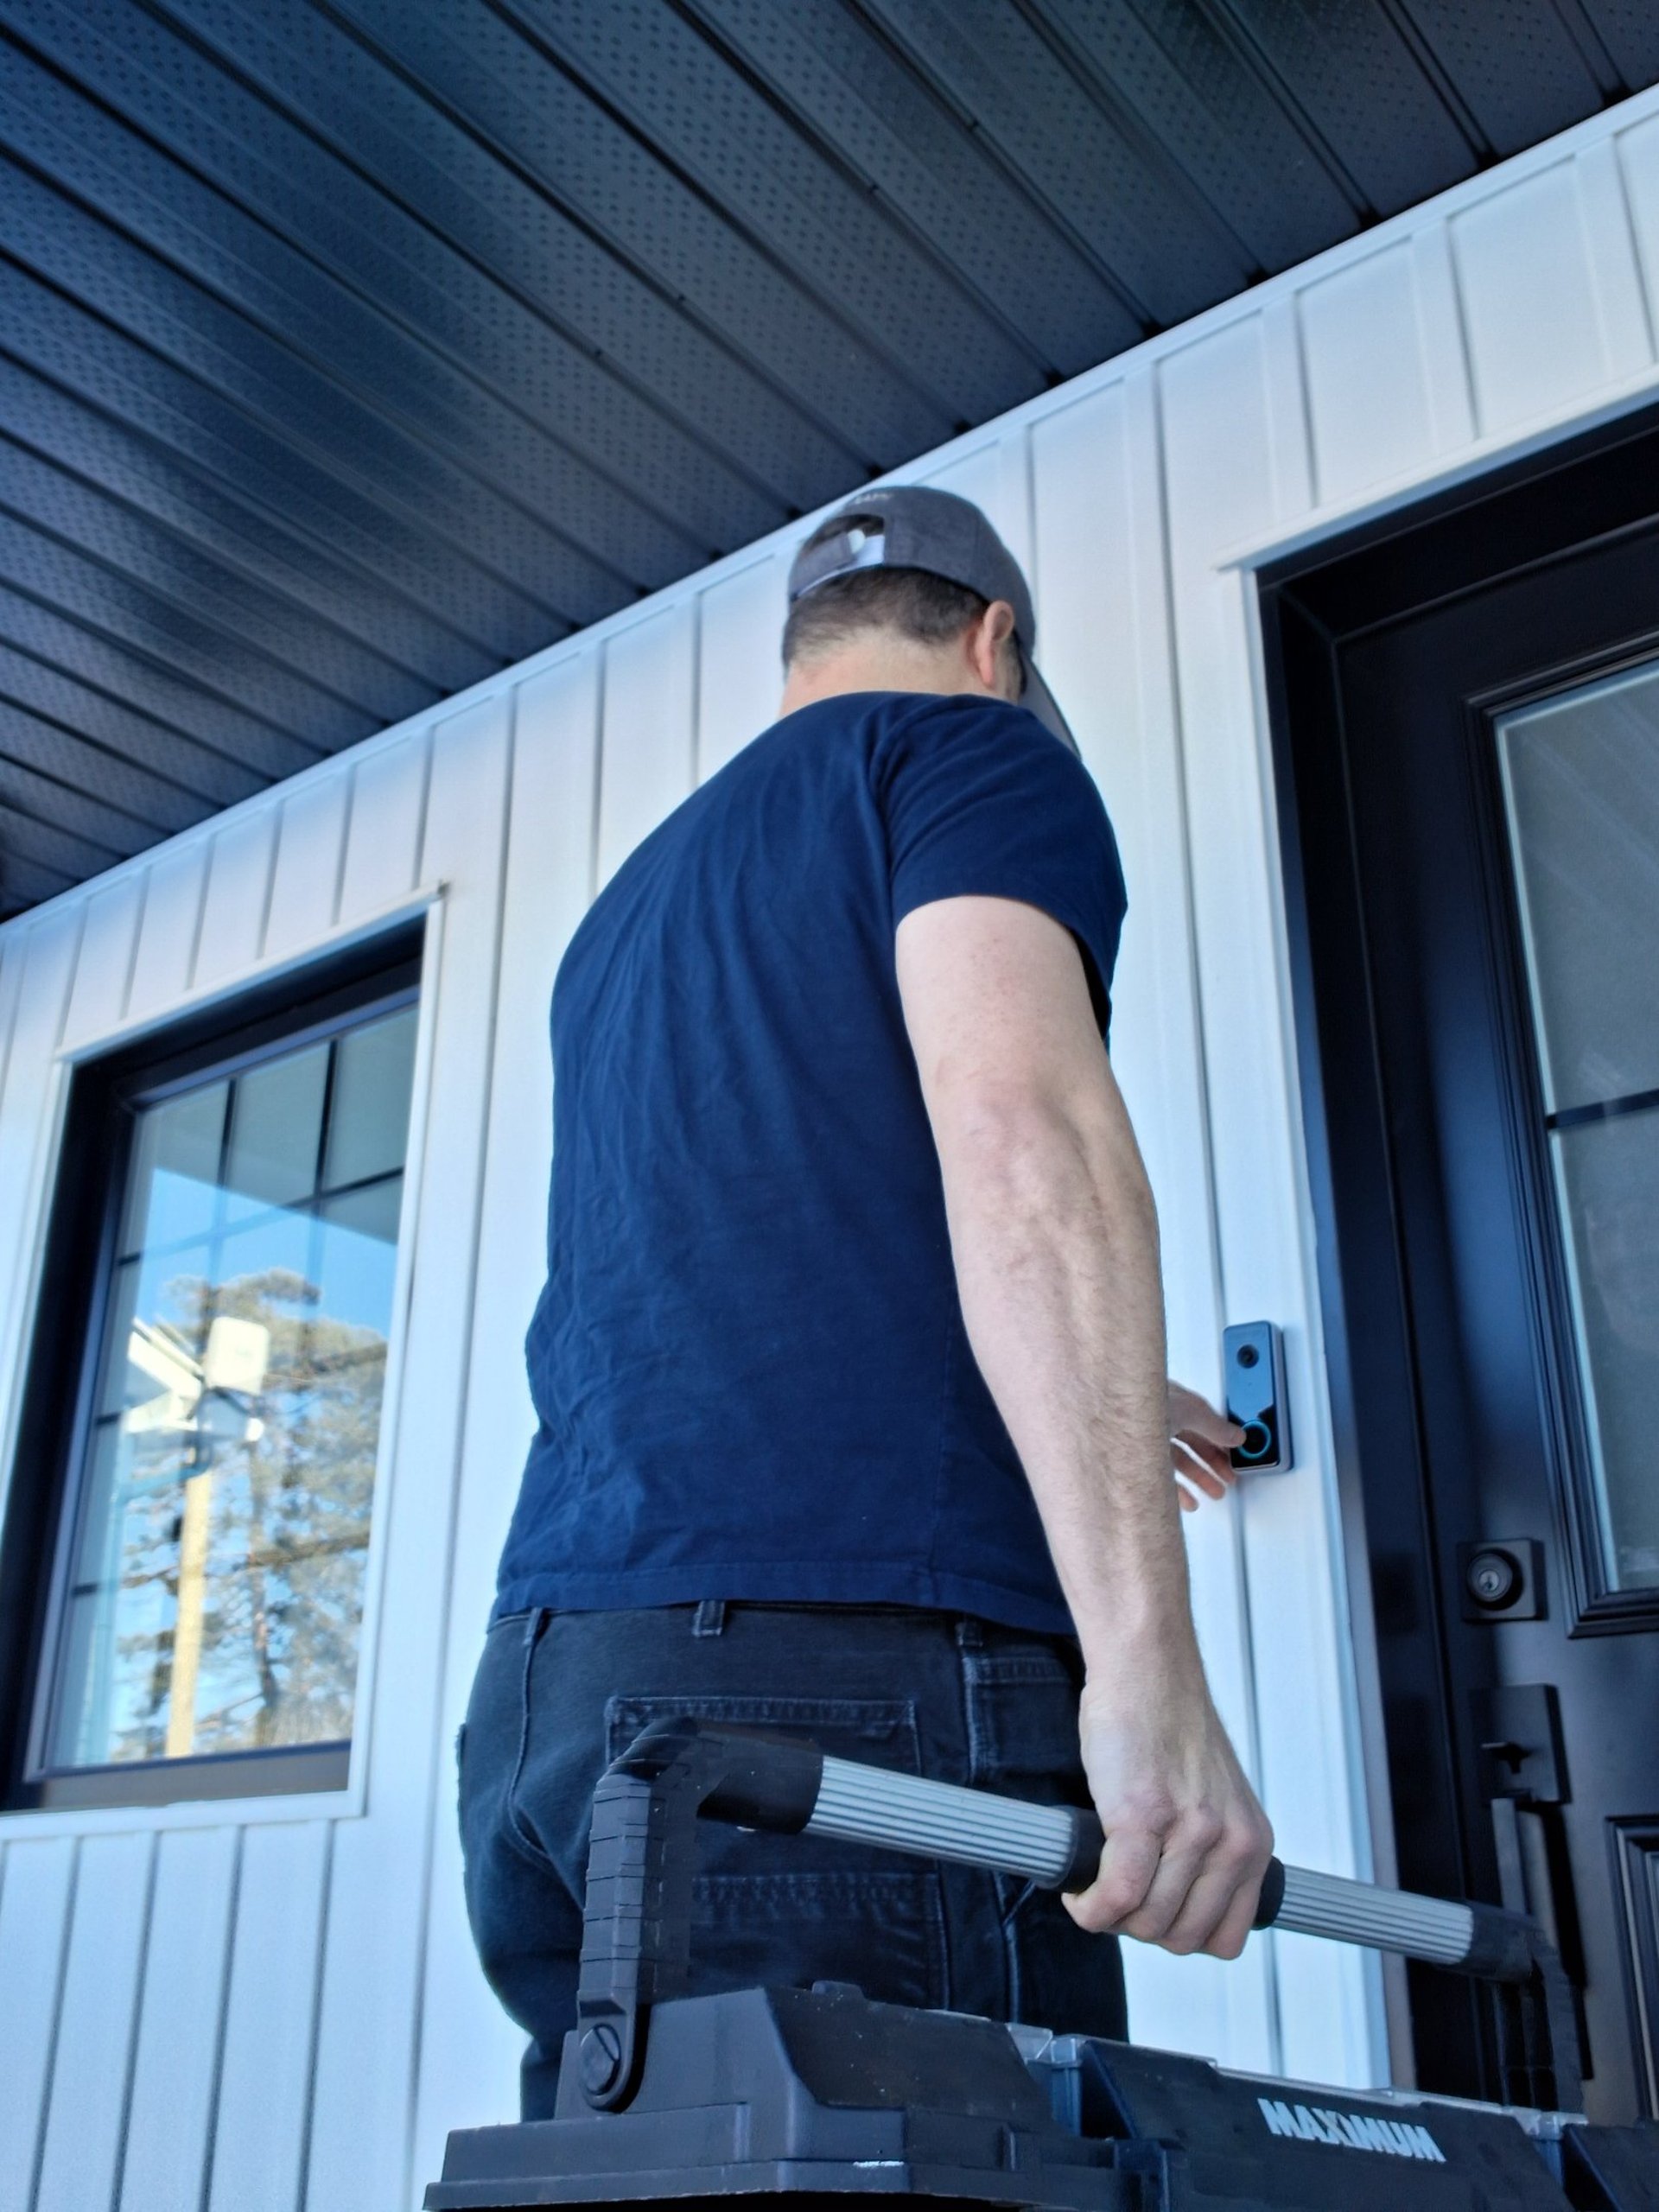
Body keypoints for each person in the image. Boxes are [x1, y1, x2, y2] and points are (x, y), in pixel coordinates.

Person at [458, 485, 1274, 2118]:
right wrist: (1152, 1671)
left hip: (560, 1688)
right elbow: (1026, 1142)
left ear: (801, 650)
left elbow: (747, 1251)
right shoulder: (966, 754)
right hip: (845, 1687)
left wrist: (1100, 1382)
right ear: (997, 642)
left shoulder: (622, 915)